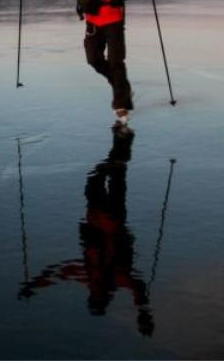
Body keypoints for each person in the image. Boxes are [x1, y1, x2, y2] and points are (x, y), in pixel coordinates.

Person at [17, 128, 154, 336]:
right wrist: (143, 313)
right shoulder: (113, 277)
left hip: (99, 215)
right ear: (103, 297)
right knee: (108, 176)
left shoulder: (90, 275)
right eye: (99, 297)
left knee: (101, 177)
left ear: (92, 296)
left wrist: (33, 285)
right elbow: (138, 288)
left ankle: (121, 142)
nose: (97, 293)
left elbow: (57, 273)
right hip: (111, 217)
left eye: (95, 297)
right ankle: (122, 141)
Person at [14, 0, 149, 127]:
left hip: (113, 20)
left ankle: (121, 104)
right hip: (93, 21)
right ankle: (122, 87)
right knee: (93, 59)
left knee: (115, 62)